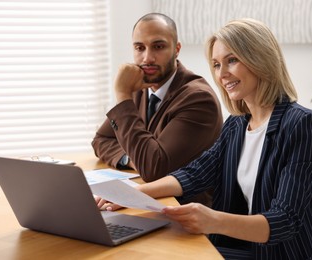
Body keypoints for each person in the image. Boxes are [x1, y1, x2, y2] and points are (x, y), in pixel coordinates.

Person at [96, 18, 312, 259]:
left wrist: (212, 220)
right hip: (250, 249)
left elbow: (285, 220)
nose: (222, 74)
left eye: (232, 60)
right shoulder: (237, 124)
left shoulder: (302, 124)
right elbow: (195, 173)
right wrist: (129, 194)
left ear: (261, 59)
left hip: (291, 252)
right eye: (216, 64)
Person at [92, 13, 223, 206]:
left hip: (186, 215)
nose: (147, 58)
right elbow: (101, 140)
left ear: (177, 49)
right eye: (139, 48)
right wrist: (131, 158)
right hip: (147, 201)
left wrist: (122, 94)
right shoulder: (141, 87)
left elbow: (154, 170)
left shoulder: (199, 99)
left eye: (158, 47)